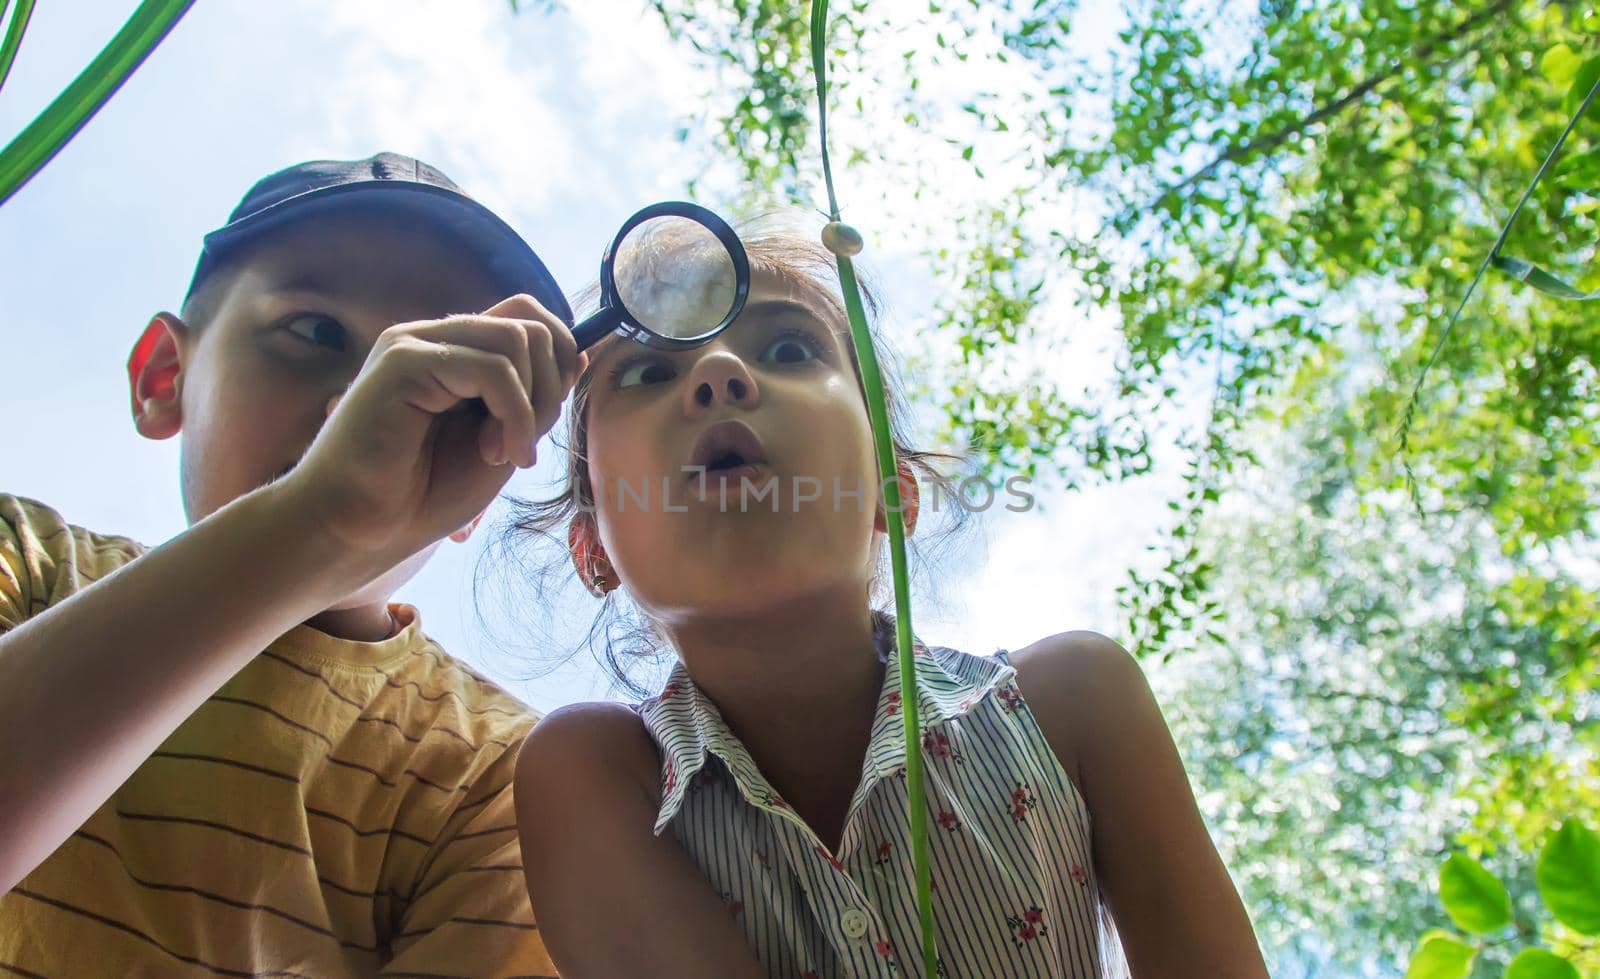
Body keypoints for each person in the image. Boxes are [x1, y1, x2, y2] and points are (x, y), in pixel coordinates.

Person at [512, 224, 1270, 977]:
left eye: (786, 349)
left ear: (892, 493)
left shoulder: (1077, 705)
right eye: (647, 372)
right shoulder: (593, 780)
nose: (717, 372)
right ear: (592, 549)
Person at [0, 152, 583, 976]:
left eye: (451, 386)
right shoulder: (24, 554)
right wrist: (309, 525)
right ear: (166, 376)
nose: (370, 403)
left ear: (477, 491)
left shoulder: (501, 775)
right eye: (316, 332)